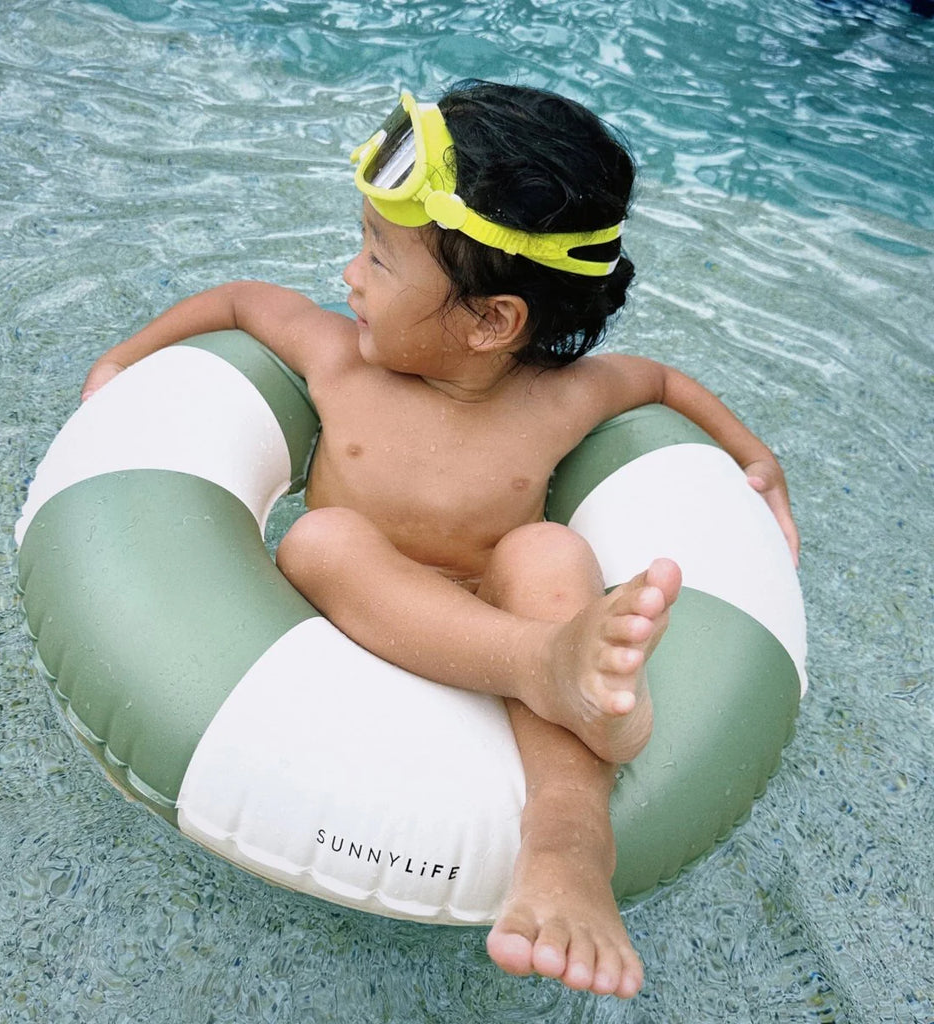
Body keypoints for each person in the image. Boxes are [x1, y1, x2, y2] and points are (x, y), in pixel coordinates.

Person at [82, 80, 799, 999]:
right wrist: (122, 359)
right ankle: (542, 663)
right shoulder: (336, 357)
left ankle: (569, 841)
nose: (348, 275)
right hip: (336, 637)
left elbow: (657, 383)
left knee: (544, 557)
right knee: (324, 540)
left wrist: (753, 458)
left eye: (378, 260)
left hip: (493, 620)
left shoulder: (559, 400)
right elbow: (235, 302)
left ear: (492, 320)